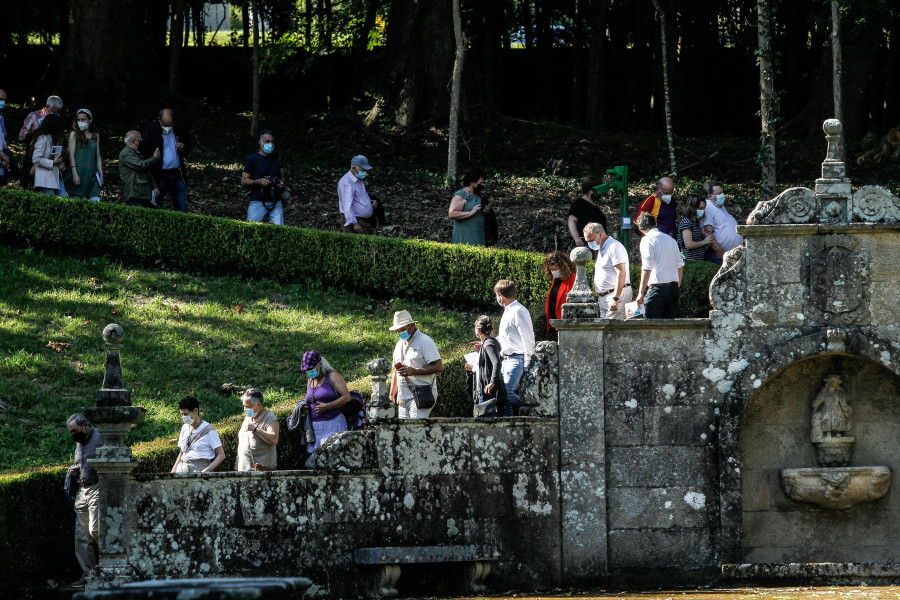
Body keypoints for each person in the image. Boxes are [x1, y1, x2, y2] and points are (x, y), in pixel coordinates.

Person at [67, 413, 104, 589]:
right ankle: (90, 574)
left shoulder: (100, 437)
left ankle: (112, 565)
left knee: (95, 529)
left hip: (97, 486)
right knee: (81, 537)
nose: (73, 434)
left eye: (75, 430)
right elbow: (80, 463)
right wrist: (74, 470)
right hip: (82, 489)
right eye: (71, 432)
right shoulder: (79, 442)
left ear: (86, 425)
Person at [389, 310, 444, 419]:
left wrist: (414, 371)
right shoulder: (399, 344)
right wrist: (391, 394)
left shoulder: (425, 341)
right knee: (404, 433)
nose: (400, 332)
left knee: (415, 431)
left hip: (420, 395)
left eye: (402, 329)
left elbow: (439, 366)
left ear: (412, 325)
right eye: (398, 330)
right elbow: (396, 371)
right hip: (403, 397)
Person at [494, 279, 535, 416]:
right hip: (507, 360)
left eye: (496, 295)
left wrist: (528, 363)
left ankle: (536, 408)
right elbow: (506, 337)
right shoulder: (508, 311)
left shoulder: (518, 311)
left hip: (516, 359)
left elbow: (527, 338)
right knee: (505, 398)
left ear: (501, 295)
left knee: (507, 394)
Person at [140, 108, 191, 212]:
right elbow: (144, 152)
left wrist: (183, 147)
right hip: (159, 174)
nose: (168, 127)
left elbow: (188, 148)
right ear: (159, 120)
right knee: (157, 205)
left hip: (176, 173)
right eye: (165, 125)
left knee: (181, 205)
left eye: (170, 125)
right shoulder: (151, 131)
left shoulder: (179, 129)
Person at [635, 212, 684, 319]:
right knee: (671, 326)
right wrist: (677, 285)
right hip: (673, 288)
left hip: (657, 289)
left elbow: (647, 267)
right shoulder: (670, 239)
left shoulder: (647, 240)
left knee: (650, 325)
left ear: (640, 229)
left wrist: (641, 292)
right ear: (655, 223)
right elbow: (680, 265)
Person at [301, 350, 352, 451]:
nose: (309, 372)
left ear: (319, 364)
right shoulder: (310, 381)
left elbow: (347, 397)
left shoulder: (333, 376)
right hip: (316, 428)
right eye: (307, 370)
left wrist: (328, 406)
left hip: (333, 423)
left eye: (311, 368)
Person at [584, 222, 632, 319]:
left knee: (613, 331)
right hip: (604, 298)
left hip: (615, 295)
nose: (590, 244)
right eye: (587, 241)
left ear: (600, 234)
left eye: (591, 240)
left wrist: (616, 298)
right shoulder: (602, 248)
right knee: (604, 332)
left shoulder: (614, 246)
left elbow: (621, 272)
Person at [241, 130, 286, 225]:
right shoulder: (252, 159)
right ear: (260, 143)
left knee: (279, 232)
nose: (270, 144)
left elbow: (282, 176)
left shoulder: (278, 158)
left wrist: (282, 183)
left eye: (272, 142)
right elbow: (243, 181)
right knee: (251, 231)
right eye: (267, 141)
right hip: (258, 200)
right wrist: (258, 182)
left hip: (275, 201)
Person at [171, 396, 225, 473]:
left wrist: (207, 470)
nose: (184, 417)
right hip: (182, 468)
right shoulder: (184, 428)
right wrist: (174, 470)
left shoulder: (209, 430)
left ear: (196, 411)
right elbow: (182, 452)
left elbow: (221, 455)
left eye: (186, 414)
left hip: (200, 468)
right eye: (182, 414)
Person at [466, 315, 506, 416]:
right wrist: (473, 368)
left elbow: (496, 362)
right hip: (485, 390)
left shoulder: (488, 344)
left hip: (489, 392)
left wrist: (492, 382)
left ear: (478, 329)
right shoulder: (486, 344)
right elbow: (485, 366)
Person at [338, 155, 385, 233]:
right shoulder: (347, 182)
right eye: (363, 170)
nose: (366, 173)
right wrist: (354, 223)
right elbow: (347, 205)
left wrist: (368, 204)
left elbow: (357, 198)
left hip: (363, 220)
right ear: (353, 168)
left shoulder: (358, 180)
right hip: (356, 221)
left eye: (366, 170)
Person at [235, 388, 279, 471]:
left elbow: (274, 439)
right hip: (243, 471)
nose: (246, 409)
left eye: (249, 407)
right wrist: (237, 462)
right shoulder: (247, 418)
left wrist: (255, 429)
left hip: (262, 472)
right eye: (244, 406)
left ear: (259, 404)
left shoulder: (269, 417)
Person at [66, 109, 103, 201]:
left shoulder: (96, 135)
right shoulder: (74, 135)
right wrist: (74, 173)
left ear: (90, 120)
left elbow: (98, 156)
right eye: (79, 120)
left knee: (95, 204)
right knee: (75, 205)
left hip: (92, 175)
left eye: (83, 119)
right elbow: (71, 155)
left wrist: (101, 175)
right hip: (79, 173)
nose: (81, 122)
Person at [119, 130, 161, 207]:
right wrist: (154, 158)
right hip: (135, 194)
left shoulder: (135, 152)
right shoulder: (126, 153)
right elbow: (141, 165)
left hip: (142, 194)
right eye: (140, 140)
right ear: (133, 141)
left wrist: (154, 187)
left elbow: (146, 171)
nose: (141, 142)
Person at [701, 180, 743, 254]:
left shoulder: (720, 206)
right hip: (722, 254)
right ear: (709, 196)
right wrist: (719, 250)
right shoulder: (708, 207)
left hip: (732, 252)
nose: (722, 195)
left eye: (722, 192)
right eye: (719, 193)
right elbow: (707, 232)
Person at [567, 176, 607, 253]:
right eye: (597, 190)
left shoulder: (595, 206)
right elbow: (571, 221)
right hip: (584, 244)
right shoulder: (579, 204)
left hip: (597, 244)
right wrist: (577, 238)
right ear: (590, 191)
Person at [31, 113, 68, 196]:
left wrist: (62, 165)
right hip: (45, 180)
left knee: (63, 200)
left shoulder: (56, 139)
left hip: (56, 178)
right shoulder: (43, 138)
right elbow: (36, 159)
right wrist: (52, 163)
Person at [448, 167, 486, 245]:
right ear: (472, 182)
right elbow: (452, 214)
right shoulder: (461, 195)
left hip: (479, 237)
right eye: (481, 183)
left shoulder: (478, 196)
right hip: (465, 238)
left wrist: (486, 211)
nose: (483, 185)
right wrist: (471, 212)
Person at [543, 251, 576, 339]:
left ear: (563, 266)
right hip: (554, 325)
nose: (554, 272)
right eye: (551, 270)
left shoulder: (573, 279)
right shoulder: (556, 280)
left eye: (555, 269)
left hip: (565, 325)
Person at [678, 193, 719, 264]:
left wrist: (707, 230)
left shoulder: (695, 222)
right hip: (690, 262)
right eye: (700, 208)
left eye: (703, 208)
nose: (702, 211)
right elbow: (689, 244)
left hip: (699, 260)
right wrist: (705, 242)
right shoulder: (687, 223)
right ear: (692, 207)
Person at [0, 88, 20, 186]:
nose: (2, 102)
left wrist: (6, 157)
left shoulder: (1, 117)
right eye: (0, 99)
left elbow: (3, 140)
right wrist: (3, 155)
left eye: (4, 100)